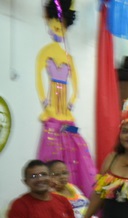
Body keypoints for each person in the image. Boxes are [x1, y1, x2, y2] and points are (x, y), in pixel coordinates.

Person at [36, 0, 96, 196]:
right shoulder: (46, 52)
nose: (57, 28)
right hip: (53, 107)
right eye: (55, 24)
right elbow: (38, 76)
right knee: (53, 149)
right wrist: (45, 101)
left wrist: (71, 102)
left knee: (76, 151)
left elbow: (76, 85)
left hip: (66, 111)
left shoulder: (68, 57)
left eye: (61, 26)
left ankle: (76, 197)